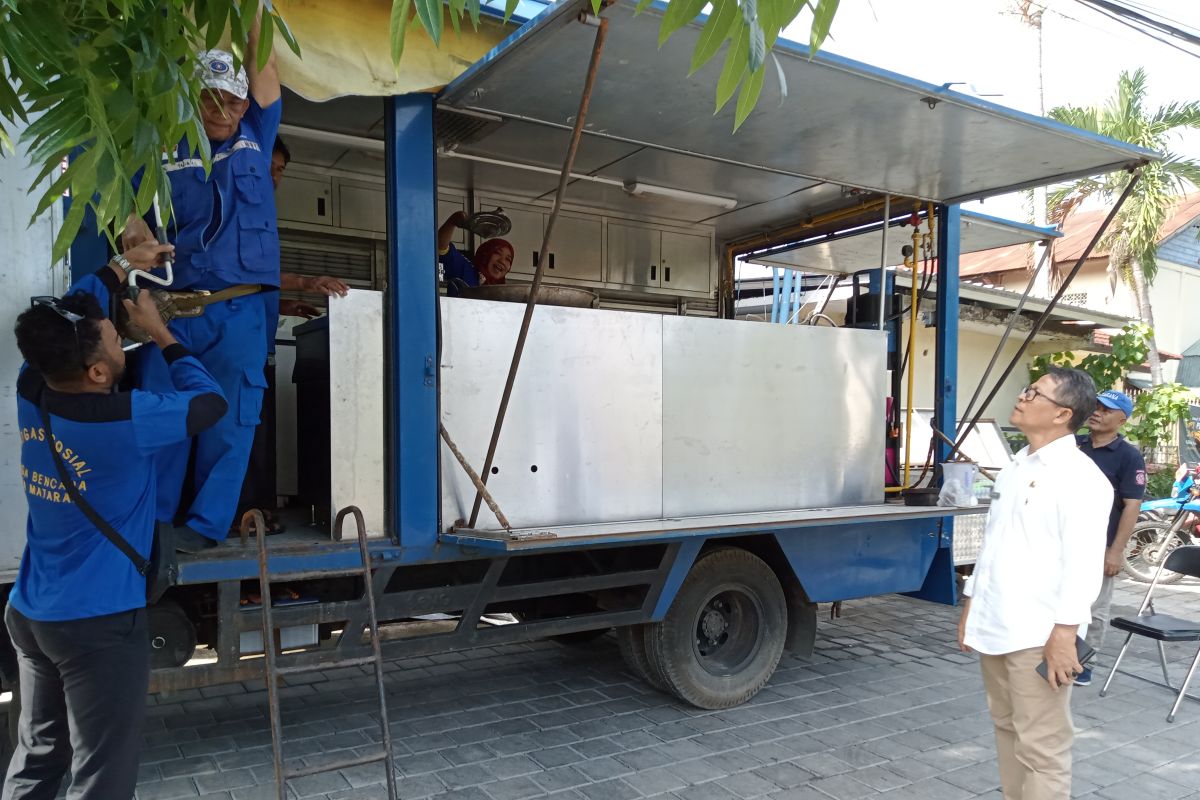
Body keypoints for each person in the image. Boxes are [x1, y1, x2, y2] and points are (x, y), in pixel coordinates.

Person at [5, 251, 226, 799]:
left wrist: (123, 264)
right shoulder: (130, 421)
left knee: (37, 760)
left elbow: (71, 315)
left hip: (32, 613)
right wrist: (161, 333)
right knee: (101, 776)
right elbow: (209, 403)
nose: (119, 331)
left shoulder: (32, 387)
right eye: (113, 335)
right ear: (99, 372)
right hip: (97, 623)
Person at [122, 15, 282, 551]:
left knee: (231, 425)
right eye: (213, 98)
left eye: (235, 101)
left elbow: (264, 71)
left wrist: (254, 12)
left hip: (238, 312)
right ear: (194, 97)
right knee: (161, 420)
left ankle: (205, 529)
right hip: (168, 311)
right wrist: (129, 222)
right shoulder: (159, 145)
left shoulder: (258, 134)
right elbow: (125, 211)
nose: (226, 109)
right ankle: (155, 526)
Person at [957, 367, 1112, 800]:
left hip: (1039, 634)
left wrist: (1065, 635)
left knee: (1042, 746)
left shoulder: (1081, 478)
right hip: (997, 623)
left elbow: (1084, 565)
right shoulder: (1016, 464)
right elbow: (994, 544)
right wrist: (971, 604)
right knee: (1007, 729)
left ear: (1062, 413)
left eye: (1034, 392)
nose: (1022, 397)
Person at [1074, 389, 1145, 686]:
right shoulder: (1074, 446)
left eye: (1107, 409)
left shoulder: (1129, 457)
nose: (1097, 412)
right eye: (1096, 406)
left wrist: (1116, 551)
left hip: (1100, 544)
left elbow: (1132, 506)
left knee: (1094, 605)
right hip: (1065, 539)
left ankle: (1085, 663)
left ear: (1122, 420)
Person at [437, 212, 514, 287]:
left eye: (508, 259)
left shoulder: (504, 293)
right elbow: (441, 247)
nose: (502, 261)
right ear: (485, 255)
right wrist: (452, 221)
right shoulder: (465, 270)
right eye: (497, 253)